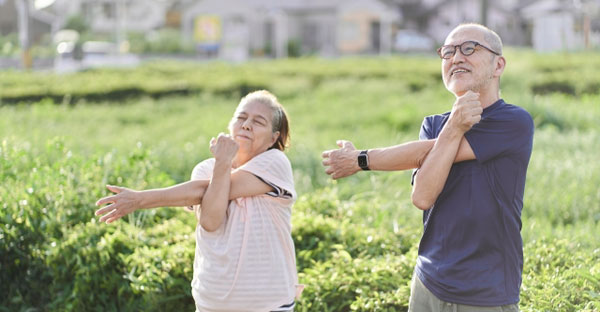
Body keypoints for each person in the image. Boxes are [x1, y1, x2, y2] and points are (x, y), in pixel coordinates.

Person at [322, 23, 533, 311]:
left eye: (469, 48)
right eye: (448, 52)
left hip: (487, 292)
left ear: (498, 65)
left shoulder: (514, 122)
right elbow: (422, 196)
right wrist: (453, 126)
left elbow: (424, 152)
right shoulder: (434, 125)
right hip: (427, 284)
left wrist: (361, 159)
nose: (456, 57)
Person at [95, 90, 302, 312]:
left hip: (268, 305)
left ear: (273, 137)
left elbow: (206, 189)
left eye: (258, 122)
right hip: (211, 304)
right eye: (241, 118)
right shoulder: (205, 169)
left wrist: (139, 199)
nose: (247, 125)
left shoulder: (275, 162)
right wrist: (222, 163)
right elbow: (211, 221)